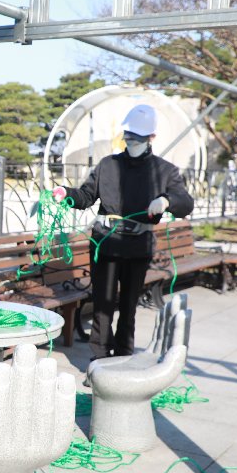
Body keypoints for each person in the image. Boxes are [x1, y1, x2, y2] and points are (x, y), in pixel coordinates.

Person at [52, 103, 194, 360]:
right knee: (102, 308)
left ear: (151, 137)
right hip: (105, 245)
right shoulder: (107, 165)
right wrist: (66, 194)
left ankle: (122, 359)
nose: (133, 141)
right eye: (129, 136)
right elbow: (85, 196)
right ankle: (97, 362)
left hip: (138, 247)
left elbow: (185, 202)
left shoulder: (165, 171)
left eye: (139, 137)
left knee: (128, 308)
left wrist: (166, 201)